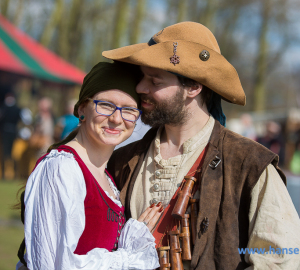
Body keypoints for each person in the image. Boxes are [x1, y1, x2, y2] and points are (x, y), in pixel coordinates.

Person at [102, 22, 300, 270]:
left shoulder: (249, 165)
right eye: (142, 77)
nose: (141, 87)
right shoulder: (122, 161)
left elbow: (281, 258)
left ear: (194, 87)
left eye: (155, 81)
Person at [16, 62, 161, 270]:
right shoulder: (61, 168)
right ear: (82, 108)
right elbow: (57, 265)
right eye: (106, 105)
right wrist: (127, 256)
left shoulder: (108, 178)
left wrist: (131, 240)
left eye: (129, 109)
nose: (116, 118)